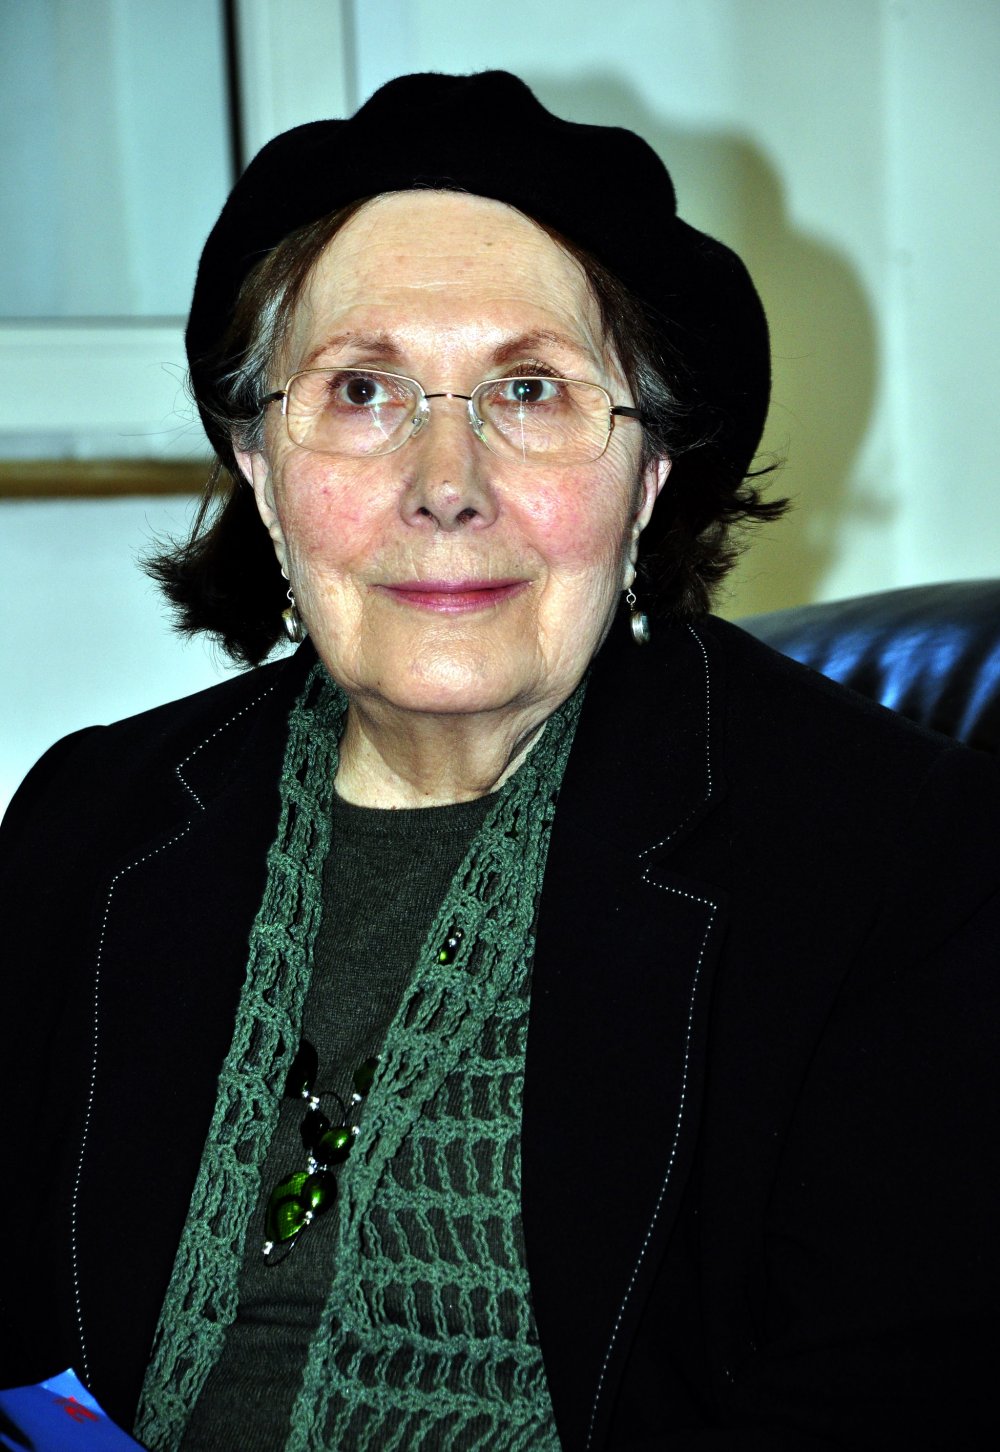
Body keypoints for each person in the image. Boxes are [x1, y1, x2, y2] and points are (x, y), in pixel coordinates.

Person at [1, 71, 997, 1452]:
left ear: (648, 478)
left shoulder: (890, 860)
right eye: (362, 391)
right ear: (262, 472)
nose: (446, 483)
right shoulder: (87, 825)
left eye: (529, 390)